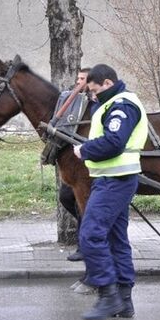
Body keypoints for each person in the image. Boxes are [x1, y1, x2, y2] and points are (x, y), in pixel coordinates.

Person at [73, 64, 148, 320]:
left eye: (93, 90)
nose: (92, 96)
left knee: (90, 234)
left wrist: (84, 150)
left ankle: (108, 295)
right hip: (111, 179)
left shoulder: (121, 105)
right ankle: (124, 300)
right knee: (116, 239)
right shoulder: (112, 103)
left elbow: (114, 142)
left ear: (106, 83)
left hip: (116, 180)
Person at [56, 67, 91, 262]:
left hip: (89, 163)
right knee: (67, 197)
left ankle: (85, 244)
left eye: (83, 79)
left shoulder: (94, 104)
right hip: (75, 162)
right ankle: (88, 233)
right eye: (78, 78)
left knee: (84, 204)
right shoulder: (73, 102)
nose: (79, 83)